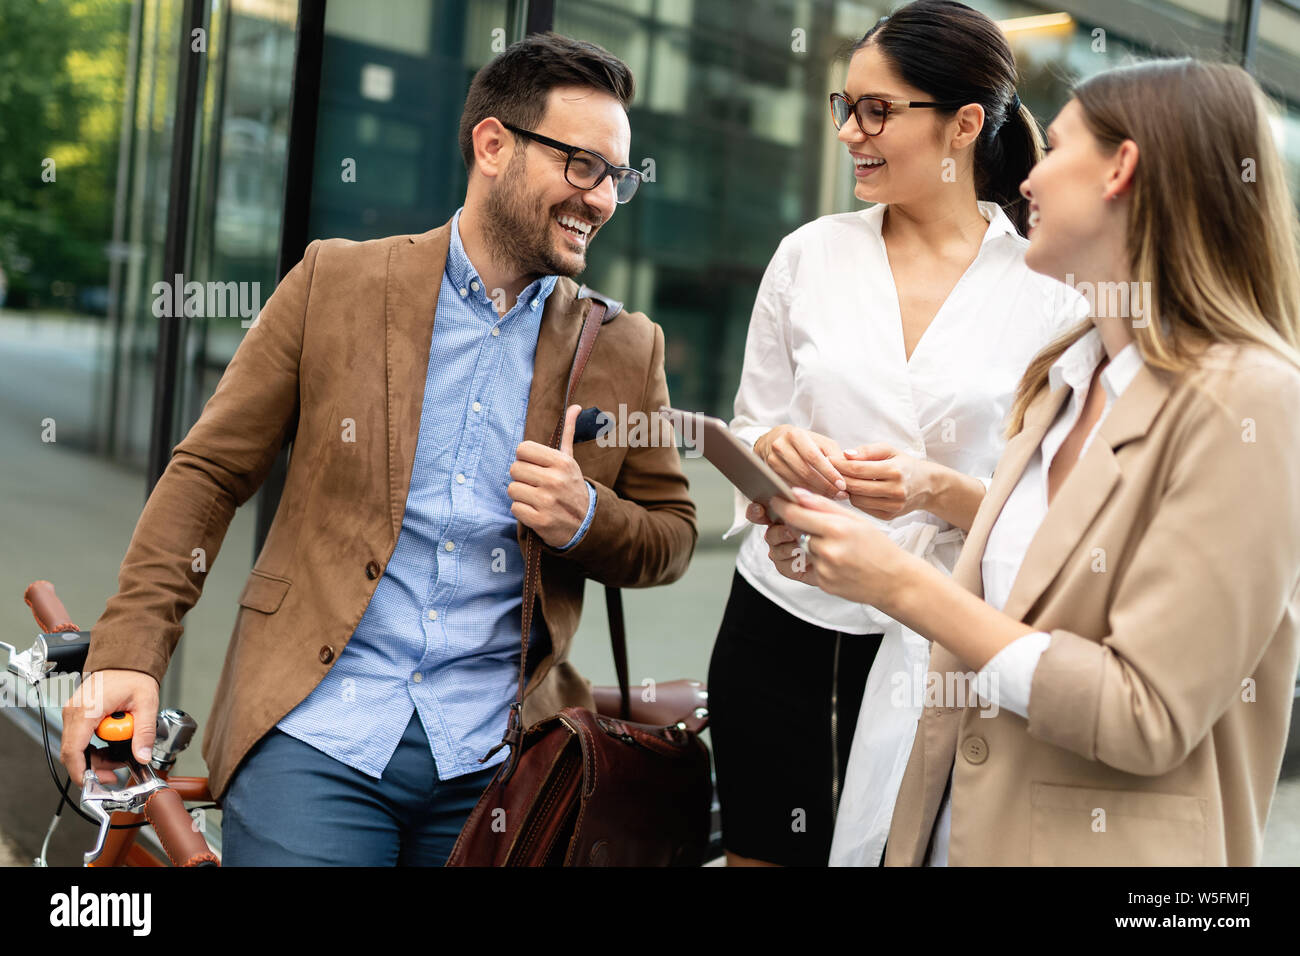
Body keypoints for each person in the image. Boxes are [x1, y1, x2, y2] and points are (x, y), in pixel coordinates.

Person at [61, 32, 697, 866]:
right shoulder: (335, 282)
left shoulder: (624, 346)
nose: (604, 198)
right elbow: (210, 473)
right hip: (315, 733)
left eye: (618, 176)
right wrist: (132, 652)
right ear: (494, 145)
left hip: (499, 760)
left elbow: (674, 534)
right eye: (583, 165)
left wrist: (586, 518)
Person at [762, 56, 1300, 866]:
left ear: (1123, 168)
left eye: (1053, 149)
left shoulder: (1252, 401)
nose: (1030, 180)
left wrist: (896, 581)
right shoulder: (1064, 378)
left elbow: (1142, 714)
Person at [709, 0, 1084, 867]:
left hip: (941, 633)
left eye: (877, 110)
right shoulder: (810, 253)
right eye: (845, 107)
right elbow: (753, 418)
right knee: (761, 854)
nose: (850, 132)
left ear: (961, 125)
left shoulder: (1049, 291)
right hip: (782, 612)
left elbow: (1062, 510)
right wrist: (770, 451)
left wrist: (936, 489)